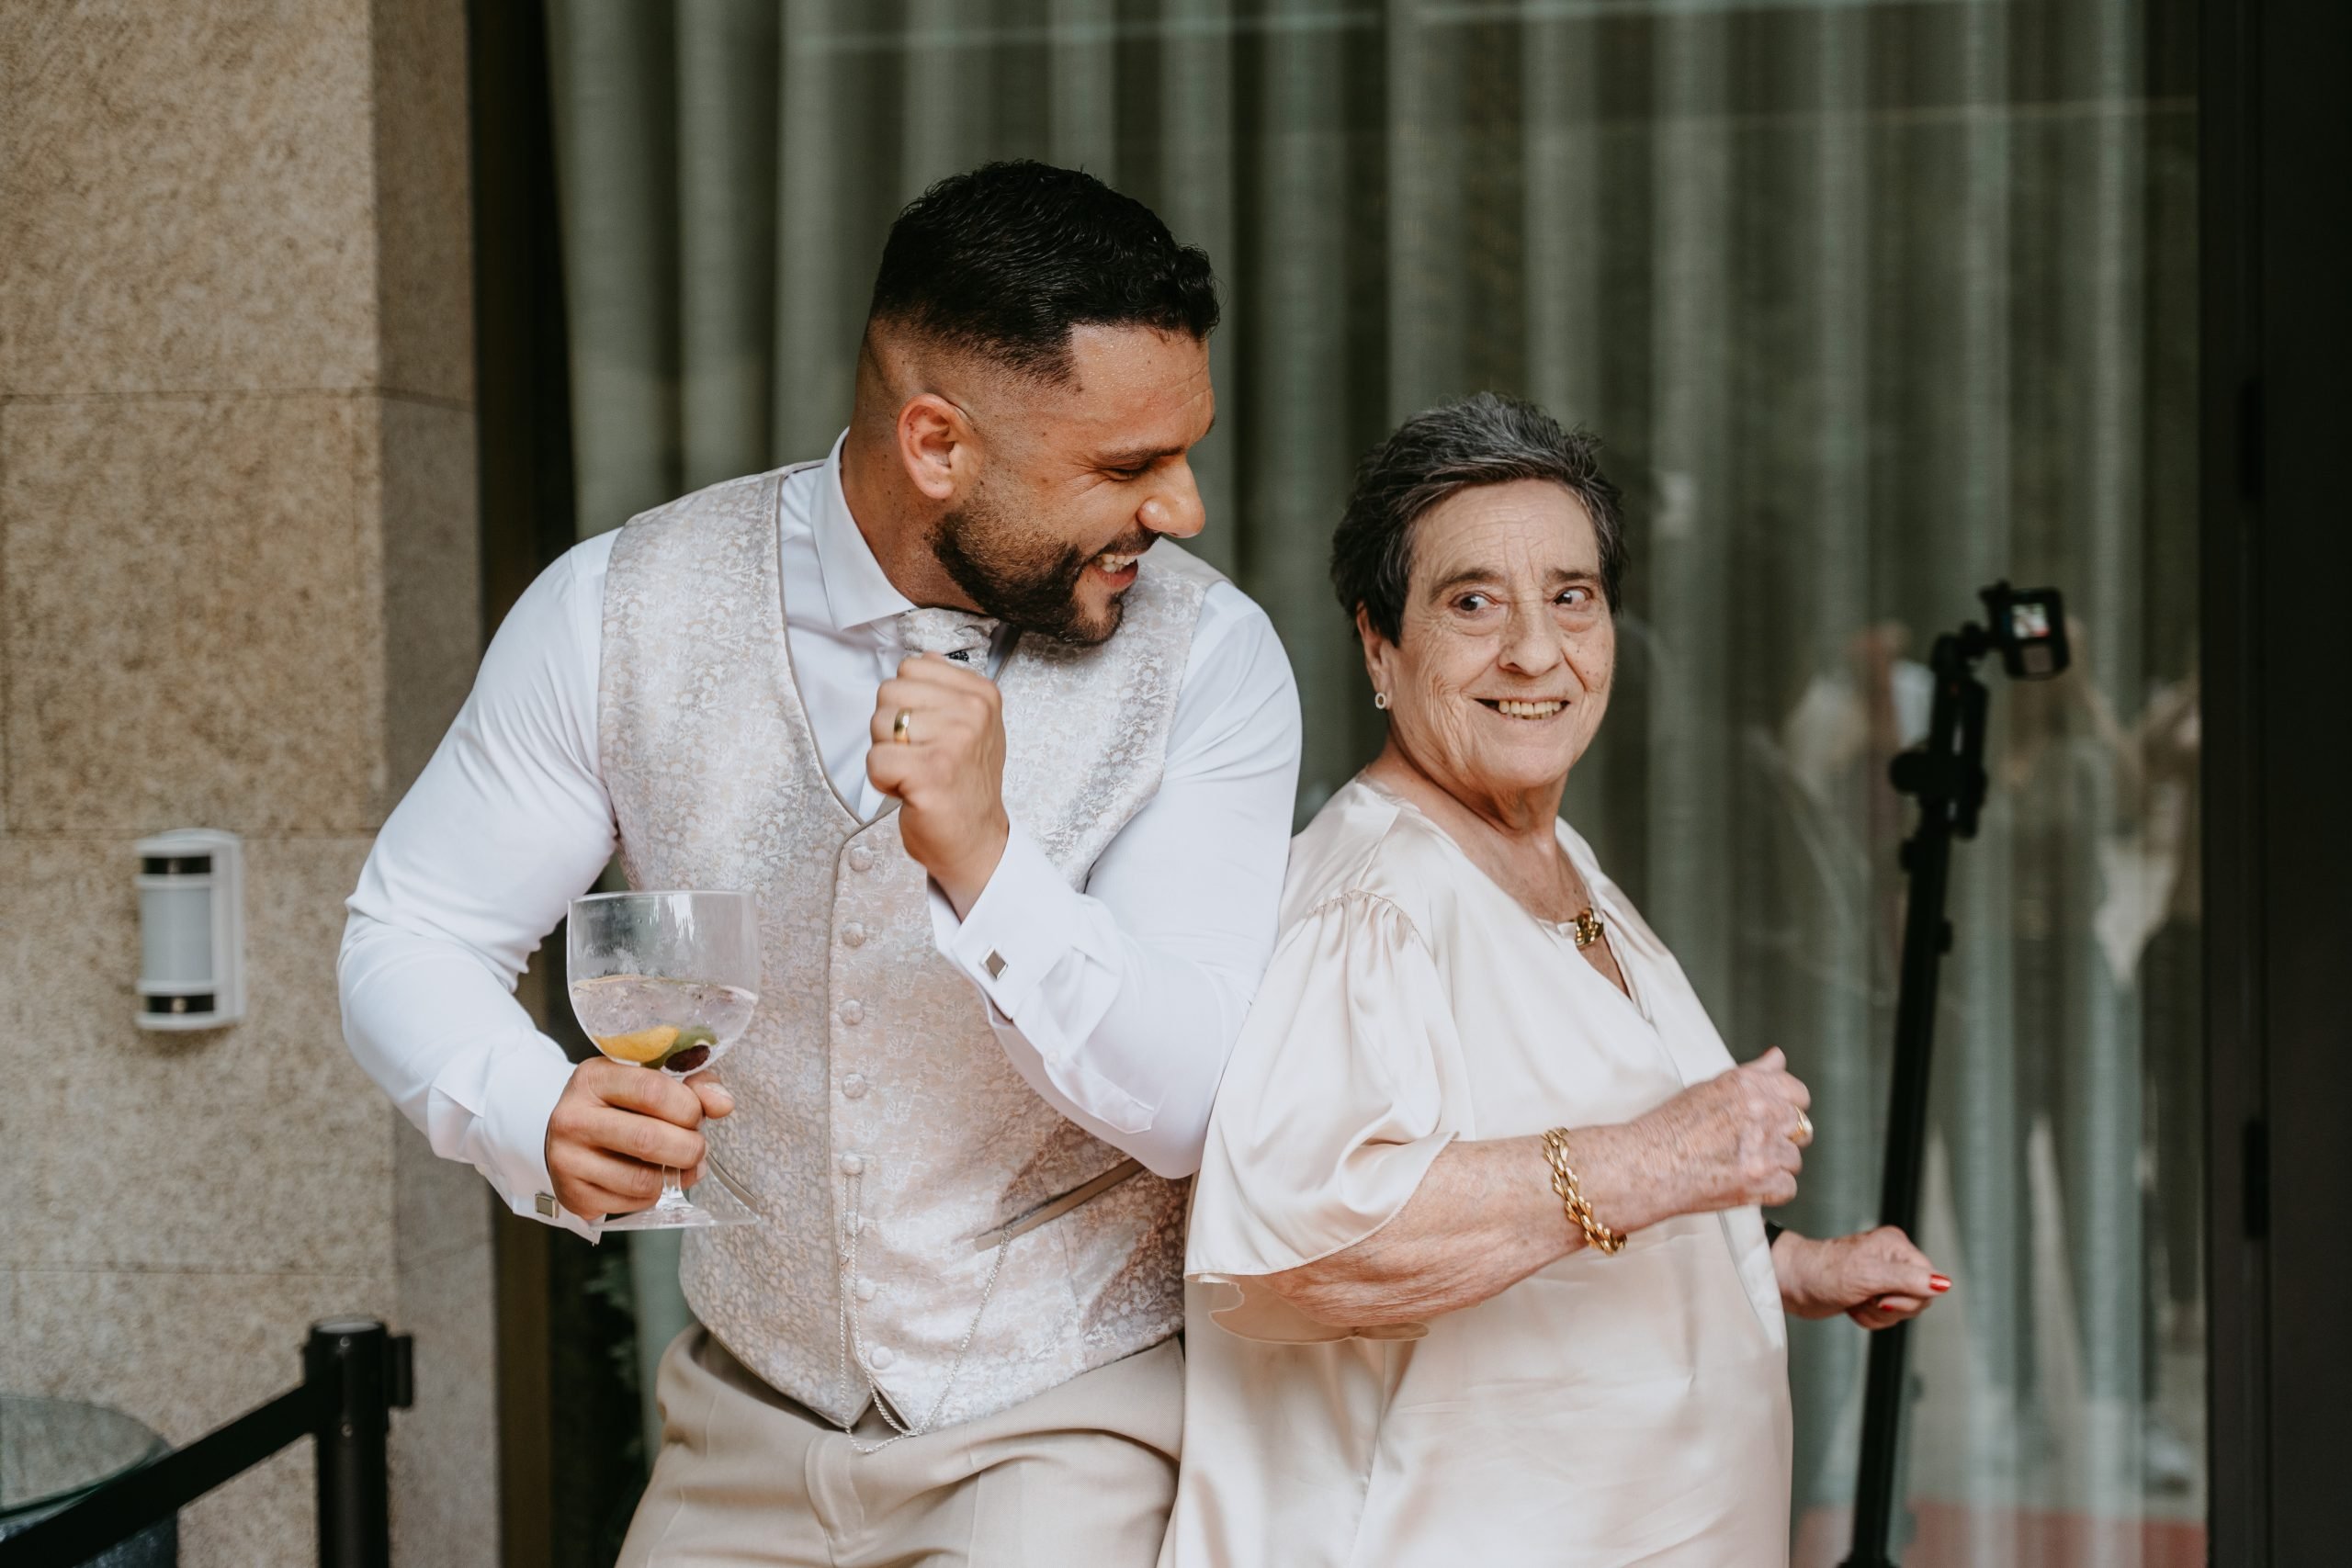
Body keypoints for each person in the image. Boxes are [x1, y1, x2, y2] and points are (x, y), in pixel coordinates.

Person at [339, 162, 1302, 1566]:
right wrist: (526, 1106)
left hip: (1064, 1423)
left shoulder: (1211, 660)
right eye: (1124, 467)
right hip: (744, 1414)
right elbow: (412, 930)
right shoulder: (616, 608)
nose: (1185, 508)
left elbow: (1196, 1100)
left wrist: (988, 863)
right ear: (936, 443)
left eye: (1184, 450)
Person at [1159, 394, 1948, 1568]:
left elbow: (1544, 1212)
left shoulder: (1551, 855)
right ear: (1378, 645)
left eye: (1571, 596)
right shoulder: (1370, 903)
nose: (1535, 651)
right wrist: (1656, 1159)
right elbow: (1302, 1247)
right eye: (1472, 603)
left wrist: (1786, 1263)